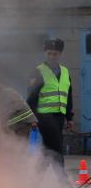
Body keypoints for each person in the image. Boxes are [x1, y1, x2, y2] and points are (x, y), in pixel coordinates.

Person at [26, 38, 74, 167]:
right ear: (45, 53)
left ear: (60, 54)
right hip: (44, 116)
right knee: (56, 147)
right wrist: (32, 118)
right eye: (49, 53)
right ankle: (62, 181)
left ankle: (35, 178)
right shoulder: (38, 71)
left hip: (59, 116)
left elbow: (68, 96)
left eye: (55, 54)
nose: (52, 56)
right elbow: (31, 96)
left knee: (49, 148)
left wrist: (69, 118)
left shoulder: (65, 72)